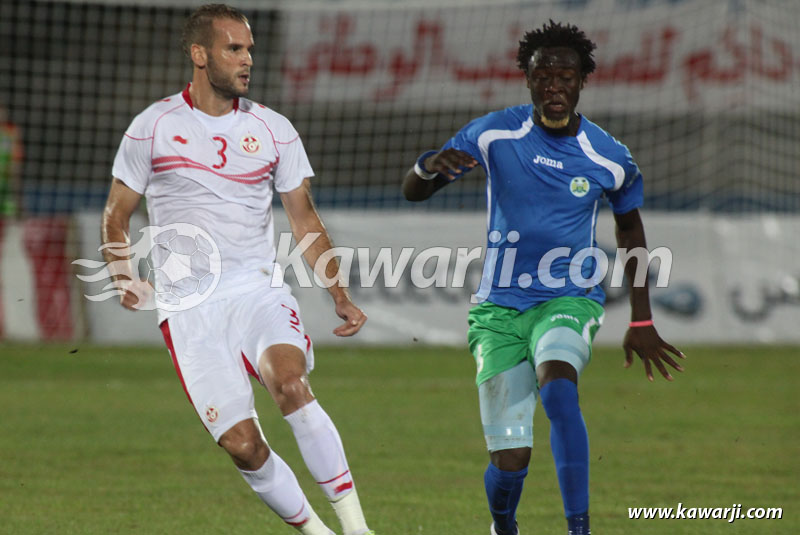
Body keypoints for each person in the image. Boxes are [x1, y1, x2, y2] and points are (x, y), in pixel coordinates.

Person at [402, 21, 684, 535]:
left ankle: (579, 528)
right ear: (527, 81)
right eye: (544, 75)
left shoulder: (608, 156)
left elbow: (631, 229)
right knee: (510, 460)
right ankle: (503, 526)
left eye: (566, 76)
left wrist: (642, 319)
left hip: (569, 298)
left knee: (558, 390)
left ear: (582, 83)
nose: (555, 85)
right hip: (497, 311)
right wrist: (427, 168)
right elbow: (414, 192)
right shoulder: (493, 133)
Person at [102, 5, 374, 535]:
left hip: (258, 292)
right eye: (234, 49)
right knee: (244, 447)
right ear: (200, 55)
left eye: (249, 48)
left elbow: (303, 216)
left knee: (290, 384)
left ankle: (358, 529)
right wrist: (120, 273)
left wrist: (338, 293)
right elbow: (116, 213)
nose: (247, 59)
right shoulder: (152, 127)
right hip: (189, 310)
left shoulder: (273, 129)